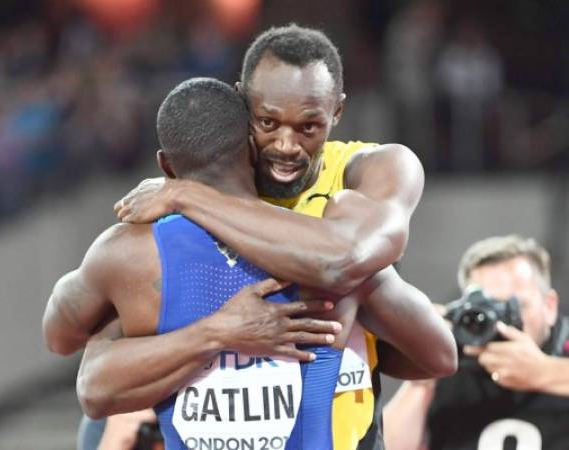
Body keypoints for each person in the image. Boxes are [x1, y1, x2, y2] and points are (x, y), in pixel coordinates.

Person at [45, 25, 456, 450]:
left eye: (308, 127)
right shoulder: (170, 231)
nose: (287, 145)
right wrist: (220, 333)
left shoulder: (371, 174)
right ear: (243, 108)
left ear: (337, 111)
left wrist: (187, 194)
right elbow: (79, 359)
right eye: (267, 122)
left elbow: (342, 263)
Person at [383, 235, 569, 450]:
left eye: (516, 307)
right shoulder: (456, 359)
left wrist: (543, 371)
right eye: (489, 310)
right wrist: (424, 375)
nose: (502, 323)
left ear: (550, 306)